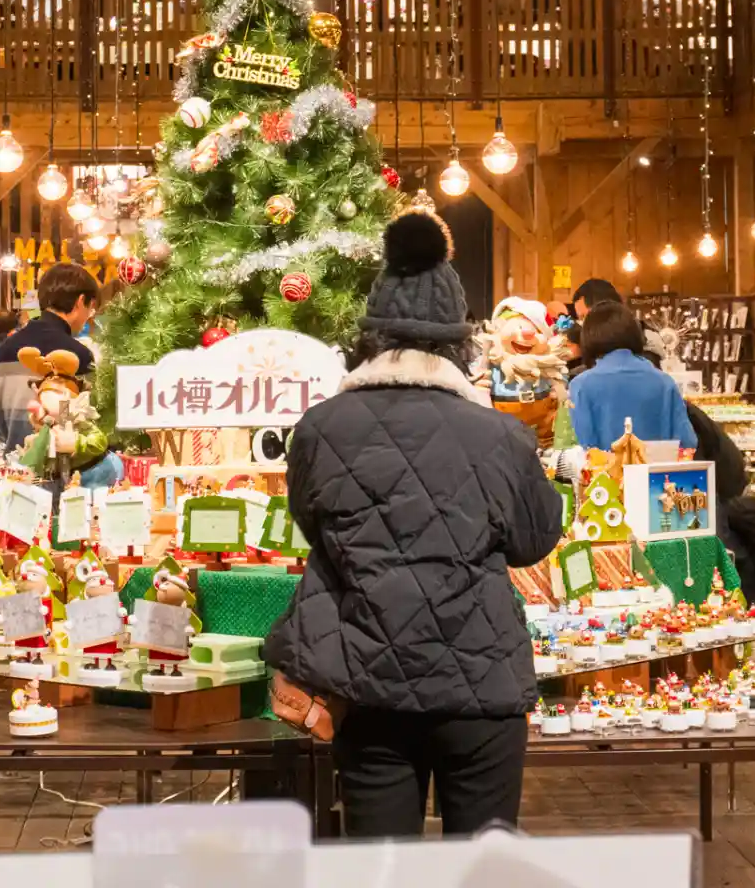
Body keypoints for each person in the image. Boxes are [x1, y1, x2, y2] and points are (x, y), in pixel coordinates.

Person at [264, 210, 563, 836]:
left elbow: (311, 525)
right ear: (459, 343)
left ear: (371, 337)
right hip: (482, 686)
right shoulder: (501, 434)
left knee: (380, 867)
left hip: (368, 685)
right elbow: (534, 541)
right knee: (481, 872)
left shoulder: (321, 427)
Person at [0, 263, 99, 451]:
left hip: (9, 469)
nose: (89, 316)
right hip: (61, 471)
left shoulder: (2, 351)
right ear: (80, 302)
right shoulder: (76, 356)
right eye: (91, 308)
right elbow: (83, 424)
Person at [566, 302, 697, 453]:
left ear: (588, 338)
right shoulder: (664, 382)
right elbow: (687, 443)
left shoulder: (581, 386)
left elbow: (580, 449)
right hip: (660, 475)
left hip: (604, 475)